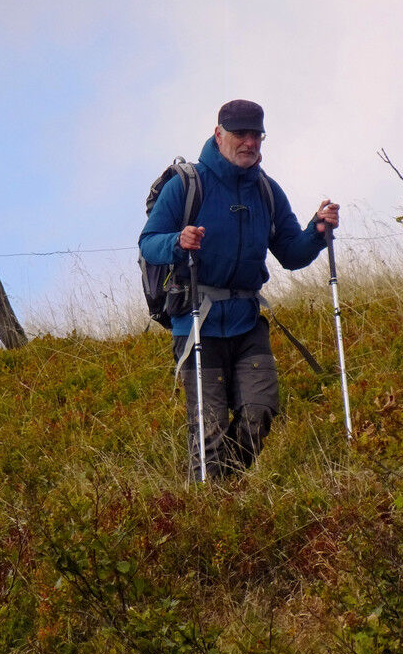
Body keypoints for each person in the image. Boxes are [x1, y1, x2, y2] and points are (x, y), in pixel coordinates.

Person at [138, 99, 340, 480]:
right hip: (197, 323)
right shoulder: (186, 184)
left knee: (259, 412)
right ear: (218, 135)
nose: (249, 142)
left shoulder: (266, 191)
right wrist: (178, 241)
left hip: (247, 323)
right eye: (239, 134)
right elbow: (148, 242)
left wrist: (315, 232)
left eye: (256, 135)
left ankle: (219, 490)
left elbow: (291, 255)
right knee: (208, 428)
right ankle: (212, 504)